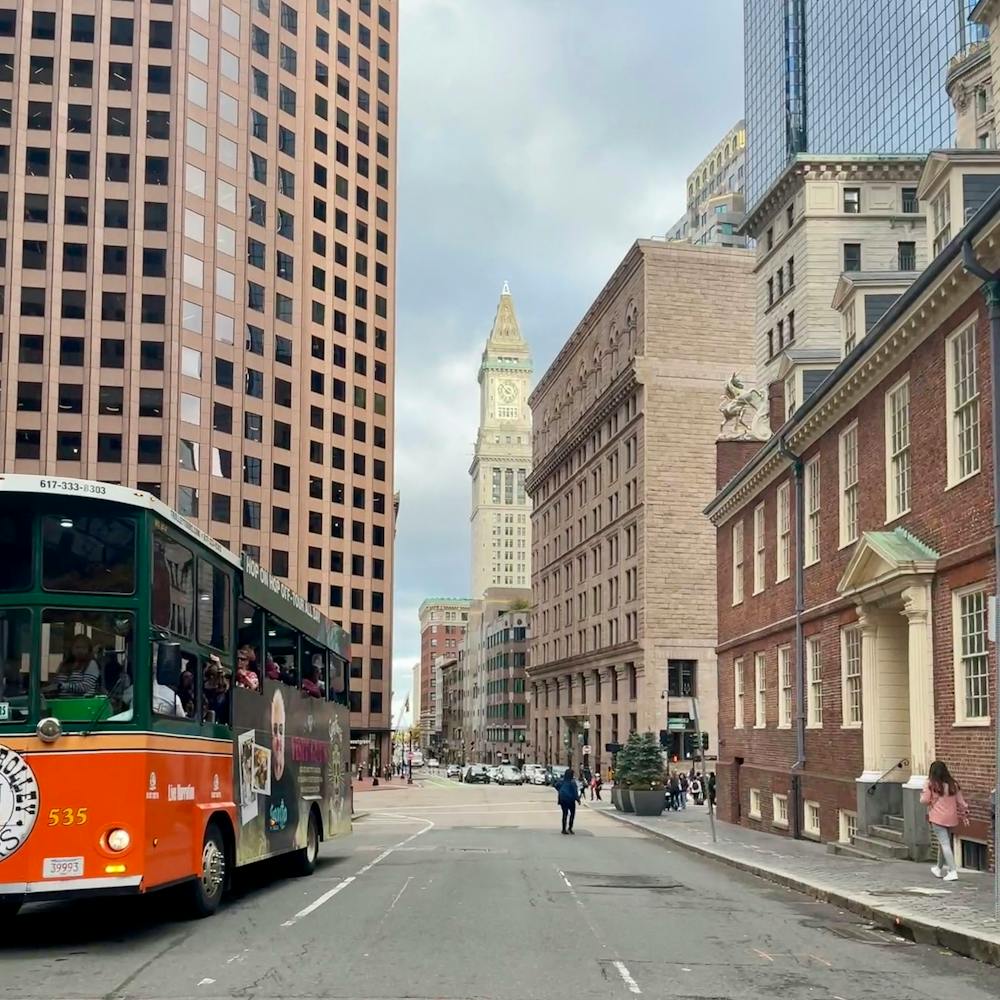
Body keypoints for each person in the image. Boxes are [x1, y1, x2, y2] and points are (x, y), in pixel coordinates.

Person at [921, 760, 969, 882]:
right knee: (944, 843)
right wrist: (964, 816)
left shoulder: (930, 784)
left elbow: (925, 800)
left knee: (945, 844)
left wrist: (924, 795)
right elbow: (961, 803)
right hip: (951, 818)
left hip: (937, 818)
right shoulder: (953, 784)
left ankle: (953, 871)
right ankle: (938, 868)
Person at [556, 768, 579, 834]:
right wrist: (577, 799)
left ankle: (563, 829)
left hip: (563, 799)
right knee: (572, 814)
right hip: (571, 800)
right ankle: (570, 828)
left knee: (564, 814)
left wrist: (559, 790)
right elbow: (575, 792)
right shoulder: (572, 782)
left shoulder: (561, 781)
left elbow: (556, 785)